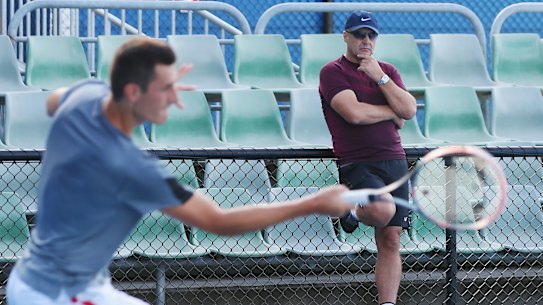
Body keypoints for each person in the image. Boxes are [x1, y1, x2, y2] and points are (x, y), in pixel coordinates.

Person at [6, 37, 354, 305]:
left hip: (50, 280)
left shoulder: (84, 98)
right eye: (166, 90)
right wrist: (312, 204)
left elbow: (55, 99)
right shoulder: (130, 167)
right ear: (132, 92)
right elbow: (220, 222)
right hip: (56, 293)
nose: (177, 100)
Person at [319, 10, 417, 305]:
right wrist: (391, 113)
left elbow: (409, 110)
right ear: (346, 37)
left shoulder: (386, 70)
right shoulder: (332, 71)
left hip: (394, 159)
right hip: (358, 160)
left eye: (371, 35)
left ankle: (388, 303)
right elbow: (354, 114)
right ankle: (351, 212)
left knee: (391, 238)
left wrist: (381, 78)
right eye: (359, 34)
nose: (366, 40)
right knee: (382, 211)